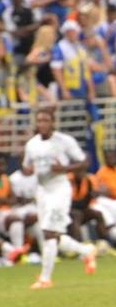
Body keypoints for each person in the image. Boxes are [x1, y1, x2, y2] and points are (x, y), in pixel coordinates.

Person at [23, 109, 97, 289]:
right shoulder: (32, 144)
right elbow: (26, 166)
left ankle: (45, 278)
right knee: (53, 236)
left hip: (59, 189)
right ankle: (87, 251)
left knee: (49, 233)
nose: (42, 124)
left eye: (46, 120)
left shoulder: (64, 141)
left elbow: (85, 161)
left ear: (53, 123)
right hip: (42, 190)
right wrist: (29, 170)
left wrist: (65, 168)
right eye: (39, 120)